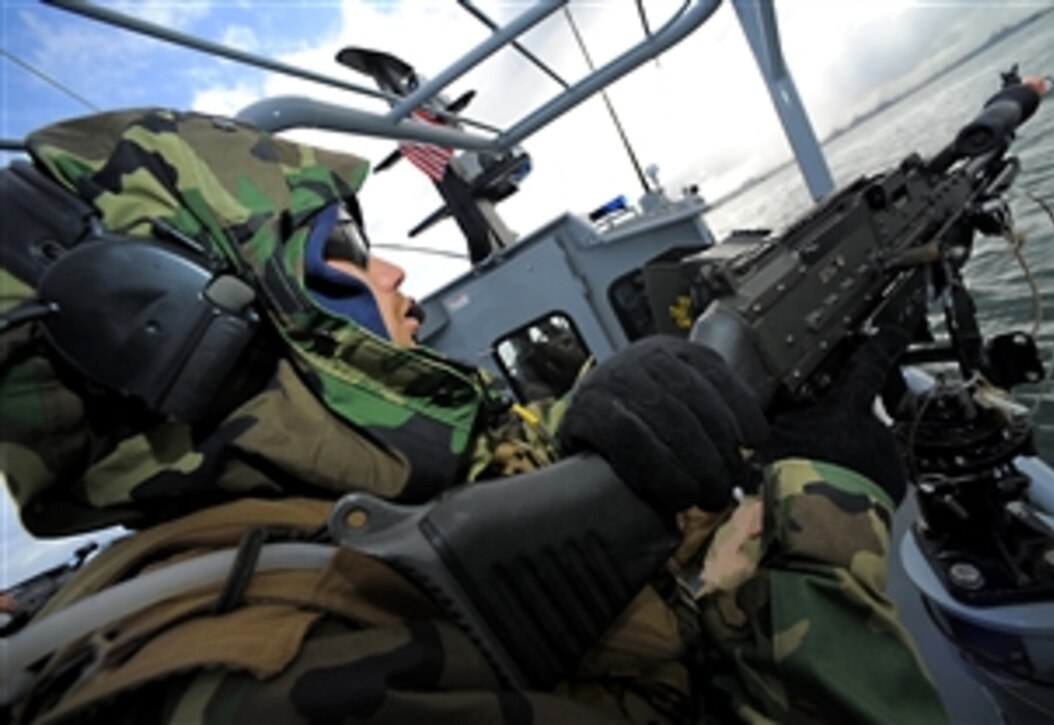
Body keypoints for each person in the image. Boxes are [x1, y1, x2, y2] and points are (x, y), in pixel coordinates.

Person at [0, 108, 947, 723]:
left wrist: (617, 412)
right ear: (177, 328)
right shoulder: (269, 681)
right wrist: (830, 504)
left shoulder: (314, 520)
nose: (394, 270)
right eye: (343, 248)